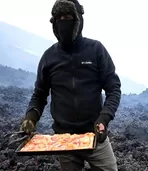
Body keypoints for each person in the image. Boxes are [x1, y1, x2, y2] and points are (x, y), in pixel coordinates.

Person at [20, 0, 121, 170]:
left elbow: (113, 88)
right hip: (63, 139)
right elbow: (39, 95)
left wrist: (104, 119)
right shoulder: (48, 57)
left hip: (95, 135)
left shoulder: (96, 50)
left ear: (79, 20)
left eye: (68, 17)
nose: (63, 23)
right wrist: (30, 118)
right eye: (58, 18)